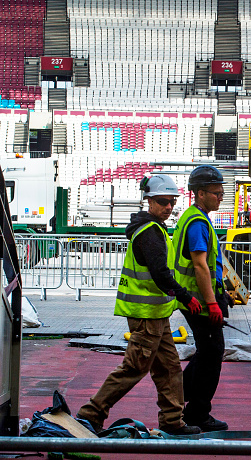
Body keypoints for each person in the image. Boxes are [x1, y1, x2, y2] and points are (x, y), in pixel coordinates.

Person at [77, 175, 202, 436]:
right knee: (134, 368)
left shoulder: (152, 229)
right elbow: (160, 274)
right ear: (149, 202)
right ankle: (90, 415)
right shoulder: (150, 233)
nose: (168, 207)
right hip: (146, 316)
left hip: (156, 315)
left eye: (172, 202)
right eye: (162, 202)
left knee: (169, 369)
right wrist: (185, 296)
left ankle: (172, 420)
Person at [172, 165, 231, 432]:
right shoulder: (197, 223)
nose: (221, 197)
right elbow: (199, 266)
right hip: (198, 301)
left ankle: (178, 397)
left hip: (197, 298)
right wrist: (211, 303)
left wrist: (221, 292)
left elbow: (207, 266)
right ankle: (197, 413)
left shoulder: (194, 218)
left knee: (207, 351)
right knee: (213, 352)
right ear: (199, 193)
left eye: (221, 192)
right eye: (216, 192)